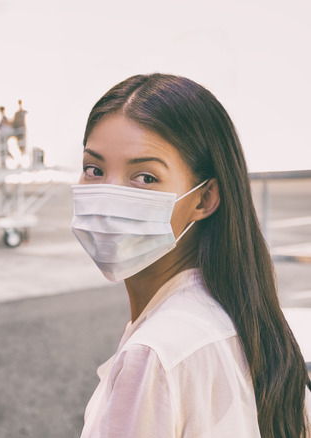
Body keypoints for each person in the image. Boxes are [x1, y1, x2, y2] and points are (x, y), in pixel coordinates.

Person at [74, 73, 311, 437]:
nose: (107, 200)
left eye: (145, 177)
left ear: (204, 198)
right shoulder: (243, 318)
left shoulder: (154, 355)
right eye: (95, 169)